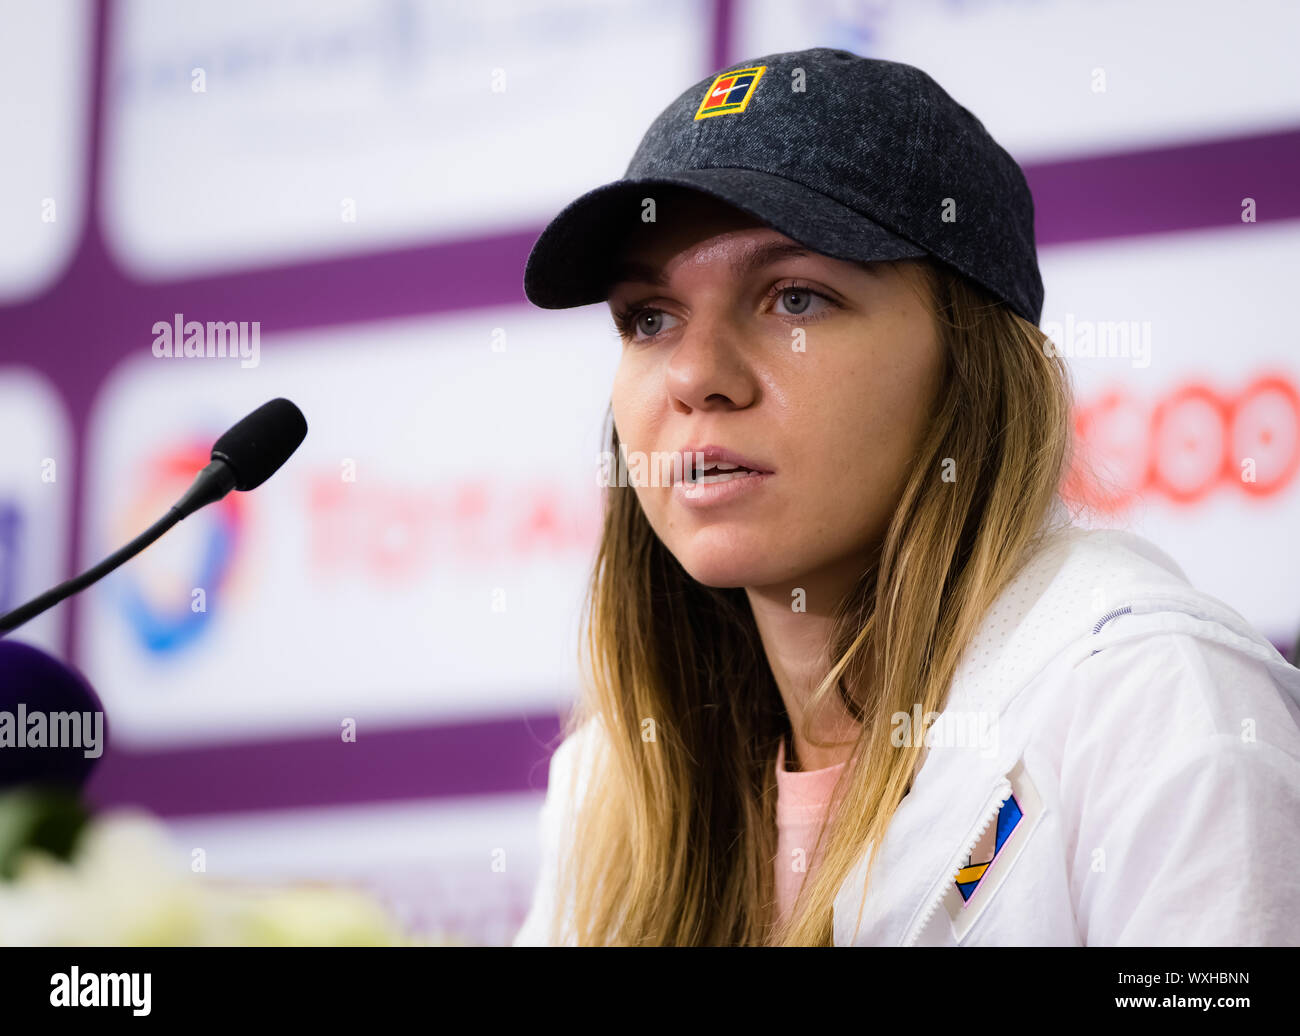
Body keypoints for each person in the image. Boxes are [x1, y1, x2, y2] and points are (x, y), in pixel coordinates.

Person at [512, 47, 1300, 946]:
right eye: (648, 319)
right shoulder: (611, 788)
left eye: (794, 298)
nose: (695, 375)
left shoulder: (1149, 705)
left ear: (970, 363)